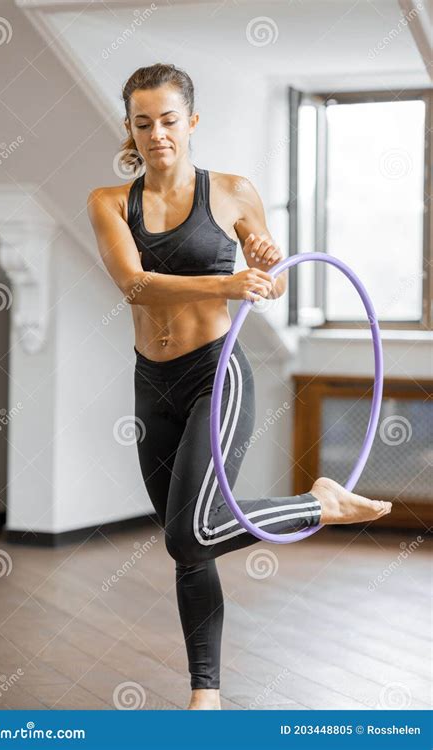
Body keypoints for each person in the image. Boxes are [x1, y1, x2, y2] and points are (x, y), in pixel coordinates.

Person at [87, 63, 392, 711]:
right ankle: (208, 695)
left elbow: (267, 270)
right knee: (189, 545)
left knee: (187, 534)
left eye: (169, 120)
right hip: (152, 385)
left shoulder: (230, 191)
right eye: (143, 123)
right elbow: (134, 284)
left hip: (216, 376)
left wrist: (265, 265)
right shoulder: (110, 201)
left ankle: (320, 503)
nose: (157, 134)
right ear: (130, 129)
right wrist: (230, 282)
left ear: (191, 122)